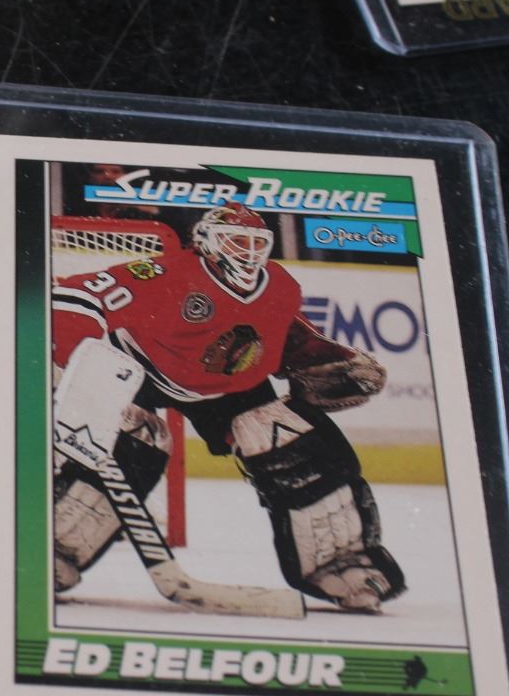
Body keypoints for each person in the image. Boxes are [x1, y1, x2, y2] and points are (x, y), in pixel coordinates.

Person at [49, 205, 405, 612]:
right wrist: (78, 362)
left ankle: (343, 564)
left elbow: (284, 332)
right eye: (236, 241)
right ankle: (55, 549)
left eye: (257, 242)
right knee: (137, 442)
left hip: (231, 384)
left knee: (285, 437)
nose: (248, 252)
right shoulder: (165, 274)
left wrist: (318, 357)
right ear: (206, 243)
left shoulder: (280, 285)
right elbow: (76, 296)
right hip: (142, 373)